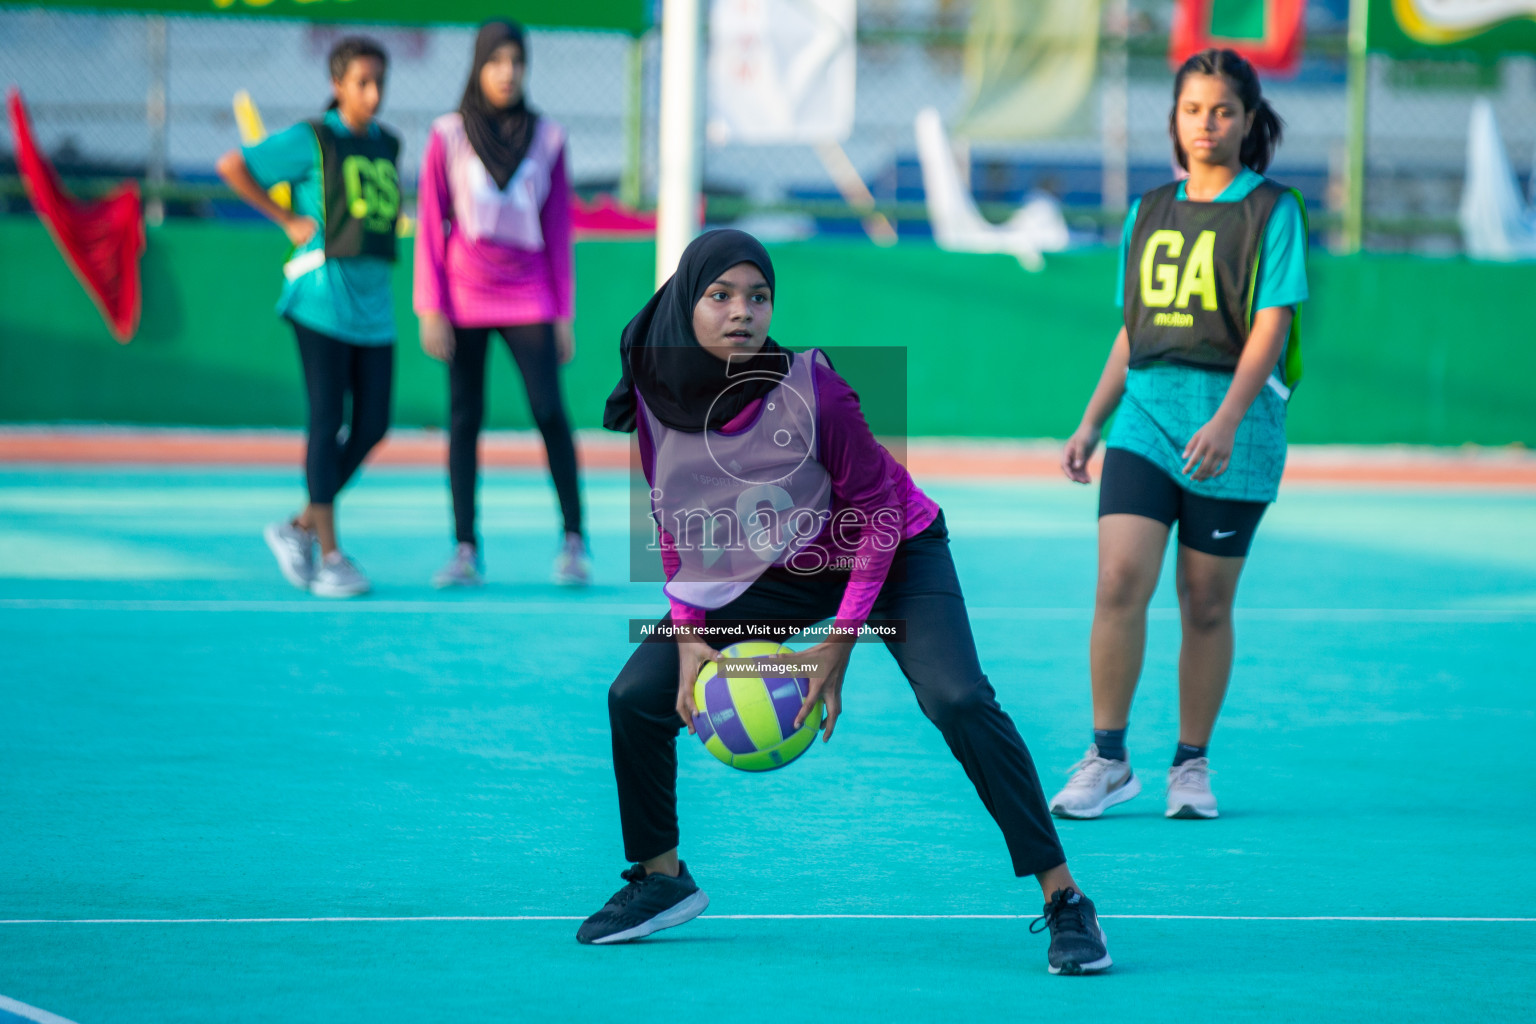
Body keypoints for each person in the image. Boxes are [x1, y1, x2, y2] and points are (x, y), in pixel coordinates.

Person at [575, 229, 1112, 976]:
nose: (743, 312)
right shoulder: (657, 392)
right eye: (721, 296)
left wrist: (842, 640)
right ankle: (661, 878)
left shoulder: (813, 389)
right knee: (637, 693)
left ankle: (1065, 898)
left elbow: (879, 510)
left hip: (894, 549)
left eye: (758, 296)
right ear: (685, 305)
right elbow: (675, 512)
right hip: (779, 565)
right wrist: (691, 629)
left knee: (959, 699)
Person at [1052, 48, 1308, 820]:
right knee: (1119, 580)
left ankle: (1190, 767)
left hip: (1236, 425)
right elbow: (1132, 332)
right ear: (1175, 119)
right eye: (1194, 109)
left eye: (1223, 111)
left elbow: (1273, 324)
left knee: (1204, 602)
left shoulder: (1273, 210)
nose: (1207, 124)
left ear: (1249, 121)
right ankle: (1107, 756)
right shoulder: (1148, 210)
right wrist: (1092, 420)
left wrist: (1229, 417)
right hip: (1146, 418)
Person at [216, 36, 400, 599]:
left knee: (372, 426)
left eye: (379, 83)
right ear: (338, 85)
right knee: (327, 420)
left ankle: (297, 527)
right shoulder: (311, 139)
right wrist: (284, 218)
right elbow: (232, 165)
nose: (373, 93)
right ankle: (331, 554)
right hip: (321, 298)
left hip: (375, 305)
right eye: (362, 82)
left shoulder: (388, 144)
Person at [414, 20, 588, 588]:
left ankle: (574, 540)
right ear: (477, 66)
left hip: (530, 293)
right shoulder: (447, 134)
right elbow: (430, 226)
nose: (507, 72)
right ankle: (465, 548)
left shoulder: (549, 137)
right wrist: (430, 307)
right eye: (496, 61)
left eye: (516, 61)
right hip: (463, 296)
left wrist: (563, 313)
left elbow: (559, 230)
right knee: (464, 420)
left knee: (548, 413)